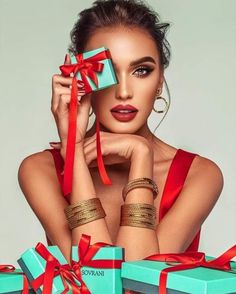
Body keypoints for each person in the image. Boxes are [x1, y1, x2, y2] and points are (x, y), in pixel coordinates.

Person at [18, 0, 223, 264]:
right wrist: (73, 148)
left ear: (159, 81)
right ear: (80, 80)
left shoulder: (199, 175)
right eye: (107, 71)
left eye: (141, 70)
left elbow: (135, 285)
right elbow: (95, 279)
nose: (124, 92)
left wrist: (141, 155)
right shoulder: (40, 170)